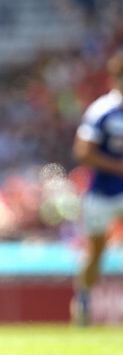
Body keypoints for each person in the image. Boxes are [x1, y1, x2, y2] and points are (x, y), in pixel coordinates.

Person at [72, 50, 123, 326]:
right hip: (102, 192)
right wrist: (117, 166)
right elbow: (83, 152)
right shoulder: (101, 111)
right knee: (96, 250)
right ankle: (83, 300)